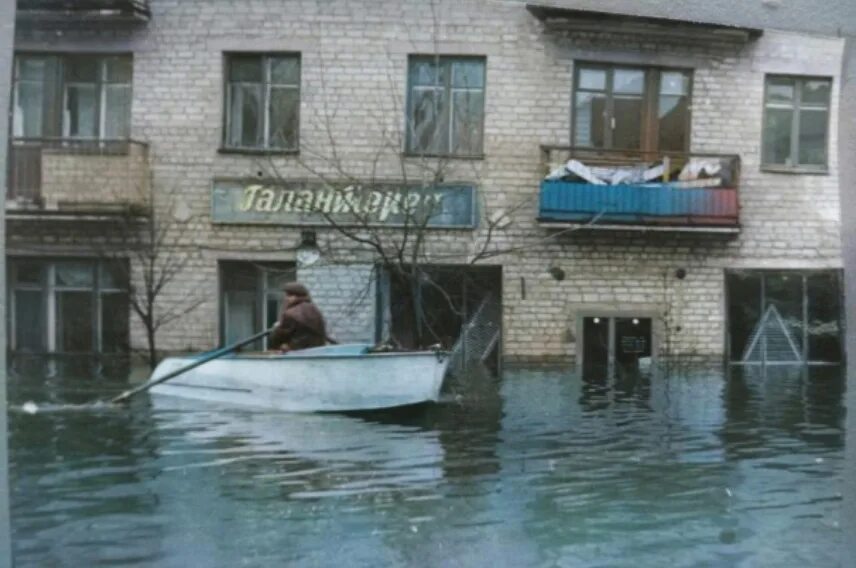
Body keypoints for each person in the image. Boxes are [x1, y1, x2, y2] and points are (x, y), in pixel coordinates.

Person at [269, 282, 328, 352]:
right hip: (317, 353)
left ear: (297, 296)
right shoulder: (314, 310)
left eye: (289, 295)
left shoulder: (290, 314)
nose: (286, 299)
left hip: (296, 354)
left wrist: (276, 328)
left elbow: (277, 339)